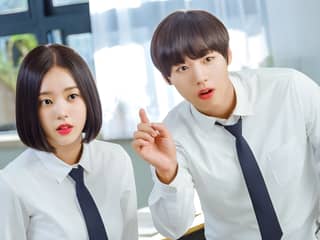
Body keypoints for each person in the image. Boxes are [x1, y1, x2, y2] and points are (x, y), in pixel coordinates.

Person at [132, 9, 320, 240]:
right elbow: (173, 228)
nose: (200, 77)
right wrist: (168, 172)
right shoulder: (171, 136)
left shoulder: (290, 89)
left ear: (228, 56)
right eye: (182, 68)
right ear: (167, 79)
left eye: (208, 59)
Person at [0, 44, 138, 240]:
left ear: (88, 98)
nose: (62, 112)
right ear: (29, 109)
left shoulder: (116, 160)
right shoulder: (12, 183)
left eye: (72, 96)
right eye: (46, 102)